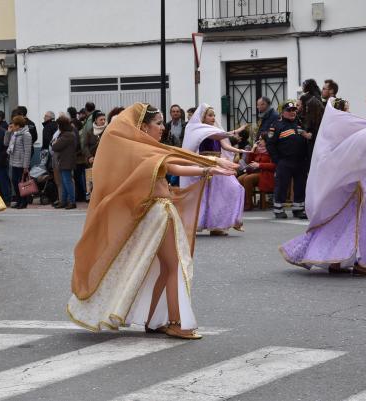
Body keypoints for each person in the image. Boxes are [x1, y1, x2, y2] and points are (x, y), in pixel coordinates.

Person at [67, 103, 237, 339]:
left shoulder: (143, 149)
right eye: (157, 123)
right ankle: (176, 322)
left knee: (164, 267)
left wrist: (209, 167)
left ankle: (155, 321)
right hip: (158, 212)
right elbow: (172, 165)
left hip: (155, 212)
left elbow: (174, 161)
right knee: (173, 265)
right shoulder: (141, 150)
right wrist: (208, 167)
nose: (162, 127)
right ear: (143, 127)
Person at [280, 100, 366, 276]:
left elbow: (362, 141)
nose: (350, 115)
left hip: (344, 184)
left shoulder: (332, 132)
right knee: (360, 218)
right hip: (348, 186)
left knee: (340, 221)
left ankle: (337, 261)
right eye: (347, 111)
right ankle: (360, 262)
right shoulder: (338, 131)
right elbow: (362, 141)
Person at [181, 104, 248, 235]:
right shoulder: (201, 130)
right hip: (205, 165)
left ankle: (218, 225)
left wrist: (240, 150)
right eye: (210, 115)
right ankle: (198, 223)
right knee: (205, 196)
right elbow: (218, 136)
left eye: (214, 115)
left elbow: (224, 145)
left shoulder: (215, 130)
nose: (213, 118)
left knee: (230, 190)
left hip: (218, 165)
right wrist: (237, 131)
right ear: (203, 117)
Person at [266, 101, 309, 219]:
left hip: (300, 161)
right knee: (282, 185)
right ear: (283, 112)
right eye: (289, 111)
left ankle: (298, 209)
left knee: (300, 185)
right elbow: (270, 144)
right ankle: (278, 209)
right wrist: (277, 160)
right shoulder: (276, 125)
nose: (292, 113)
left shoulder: (300, 123)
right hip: (284, 161)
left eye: (294, 110)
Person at [237, 133, 275, 210]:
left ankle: (249, 204)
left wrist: (259, 165)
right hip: (255, 172)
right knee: (240, 178)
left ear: (266, 140)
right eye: (259, 139)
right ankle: (243, 203)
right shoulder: (258, 149)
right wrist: (253, 150)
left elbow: (274, 165)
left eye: (261, 139)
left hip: (266, 174)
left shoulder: (272, 150)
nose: (259, 141)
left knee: (248, 179)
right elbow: (249, 161)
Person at [6, 115, 33, 209]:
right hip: (14, 162)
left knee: (22, 183)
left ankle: (23, 202)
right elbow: (6, 143)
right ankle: (18, 200)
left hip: (21, 163)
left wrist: (26, 166)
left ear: (18, 125)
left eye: (13, 124)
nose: (12, 125)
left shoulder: (26, 134)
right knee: (15, 182)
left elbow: (27, 151)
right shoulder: (14, 134)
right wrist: (8, 133)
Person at [51, 116, 77, 210]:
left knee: (67, 181)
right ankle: (64, 201)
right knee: (64, 181)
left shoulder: (67, 135)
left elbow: (55, 147)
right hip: (65, 161)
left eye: (58, 125)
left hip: (66, 161)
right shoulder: (69, 133)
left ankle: (72, 201)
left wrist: (55, 142)